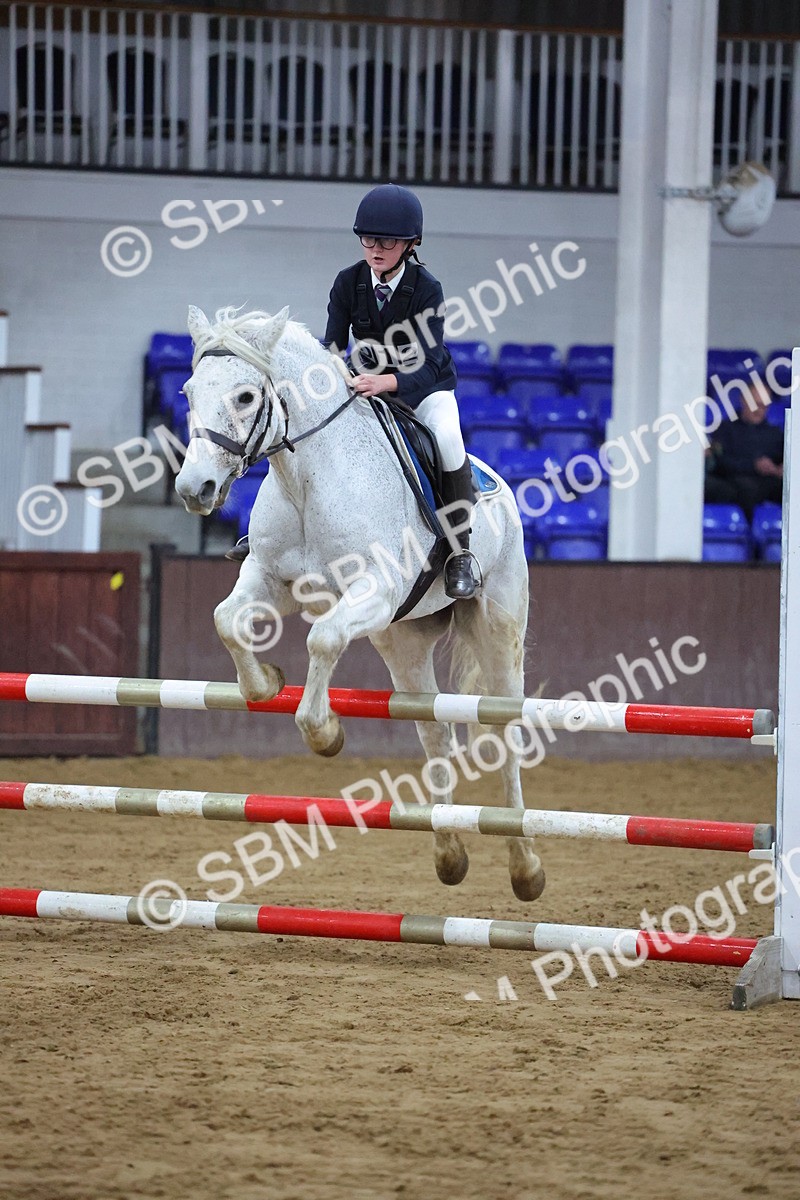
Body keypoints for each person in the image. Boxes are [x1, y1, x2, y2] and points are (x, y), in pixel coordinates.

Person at [320, 182, 479, 600]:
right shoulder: (347, 282)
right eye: (368, 239)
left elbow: (427, 365)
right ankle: (275, 534)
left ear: (410, 244)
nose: (375, 248)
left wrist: (383, 383)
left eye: (387, 241)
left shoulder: (427, 290)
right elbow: (333, 347)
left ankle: (461, 552)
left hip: (423, 390)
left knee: (446, 438)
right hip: (367, 389)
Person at [704, 381, 784, 520]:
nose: (759, 410)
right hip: (736, 481)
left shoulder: (775, 434)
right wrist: (754, 466)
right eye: (756, 404)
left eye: (764, 406)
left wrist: (783, 469)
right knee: (741, 488)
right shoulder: (725, 429)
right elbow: (720, 461)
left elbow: (784, 459)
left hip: (767, 483)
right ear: (743, 400)